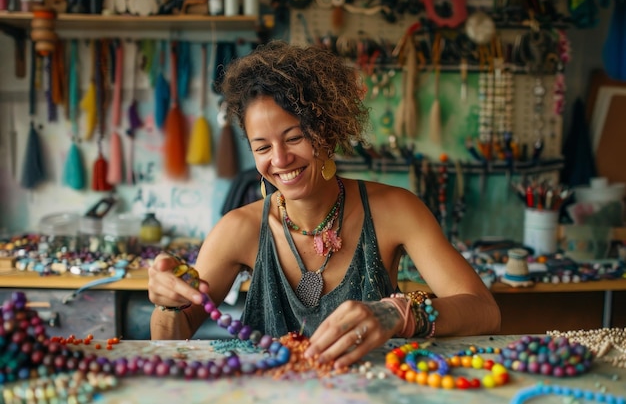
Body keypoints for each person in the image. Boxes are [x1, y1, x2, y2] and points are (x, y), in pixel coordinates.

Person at [148, 40, 501, 369]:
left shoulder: (396, 210)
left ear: (328, 133)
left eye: (294, 137)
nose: (281, 159)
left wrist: (399, 313)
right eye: (262, 148)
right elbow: (170, 341)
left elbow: (484, 310)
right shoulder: (237, 229)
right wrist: (167, 302)